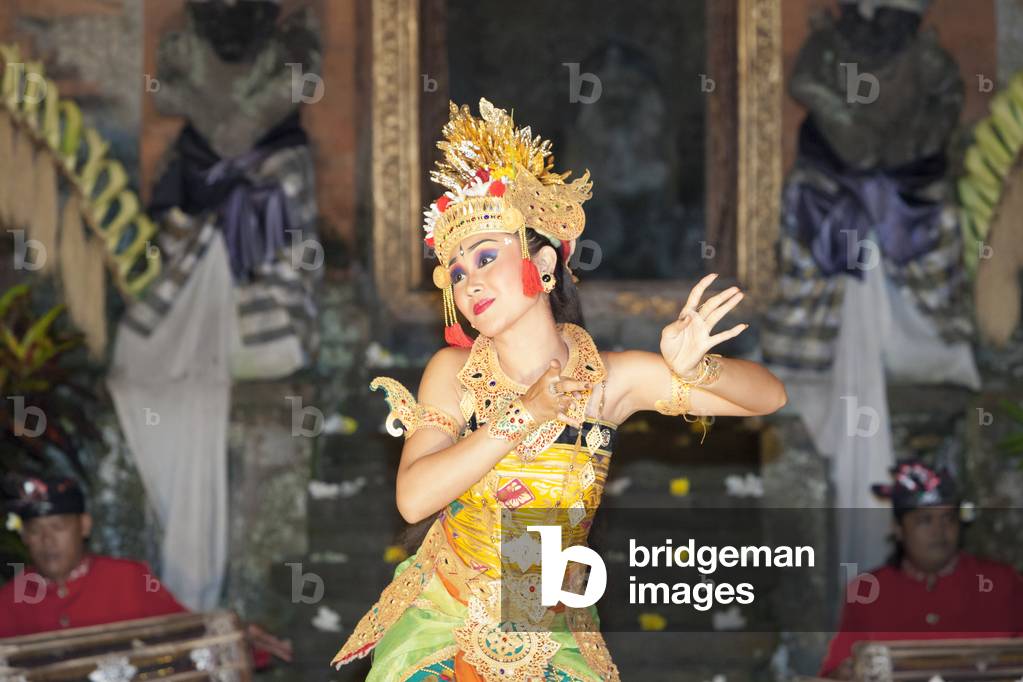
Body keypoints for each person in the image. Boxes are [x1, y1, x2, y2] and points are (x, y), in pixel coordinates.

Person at [329, 98, 788, 681]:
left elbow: (769, 397)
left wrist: (695, 368)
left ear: (543, 262)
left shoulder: (609, 382)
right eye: (458, 272)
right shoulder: (453, 372)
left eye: (487, 256)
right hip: (446, 620)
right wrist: (524, 413)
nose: (471, 282)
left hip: (544, 627)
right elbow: (415, 499)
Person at [0, 474, 291, 669]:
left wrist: (241, 640)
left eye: (59, 527)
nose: (47, 541)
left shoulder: (128, 579)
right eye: (35, 531)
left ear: (85, 525)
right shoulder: (11, 600)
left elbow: (189, 635)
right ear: (24, 536)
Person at [820, 459, 1023, 679]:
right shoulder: (867, 591)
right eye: (925, 520)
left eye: (948, 519)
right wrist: (845, 674)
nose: (940, 531)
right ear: (898, 529)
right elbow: (835, 671)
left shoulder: (1001, 581)